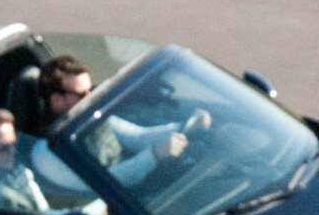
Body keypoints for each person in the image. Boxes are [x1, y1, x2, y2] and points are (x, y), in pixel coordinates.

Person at [28, 54, 211, 188]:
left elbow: (137, 137)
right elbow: (102, 182)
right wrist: (154, 155)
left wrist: (185, 126)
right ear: (56, 100)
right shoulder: (46, 151)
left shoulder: (87, 118)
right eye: (82, 94)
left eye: (92, 90)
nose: (91, 98)